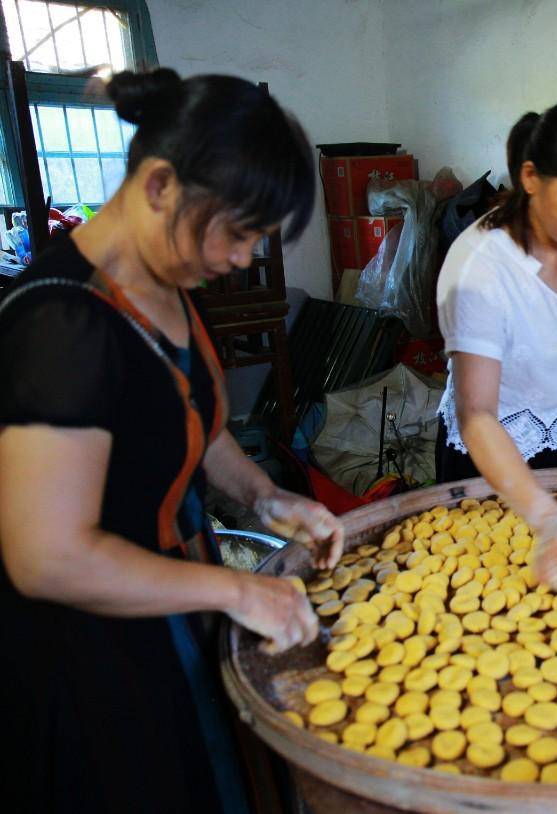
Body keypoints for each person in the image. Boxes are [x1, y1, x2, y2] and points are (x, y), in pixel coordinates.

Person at [0, 69, 345, 813]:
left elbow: (198, 422)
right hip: (95, 658)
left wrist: (267, 497)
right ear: (159, 185)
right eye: (240, 232)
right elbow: (46, 556)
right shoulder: (61, 326)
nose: (246, 258)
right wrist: (238, 588)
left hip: (176, 605)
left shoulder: (167, 289)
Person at [434, 99, 557, 595]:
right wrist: (547, 519)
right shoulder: (480, 270)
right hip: (490, 457)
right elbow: (477, 415)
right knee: (494, 597)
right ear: (530, 177)